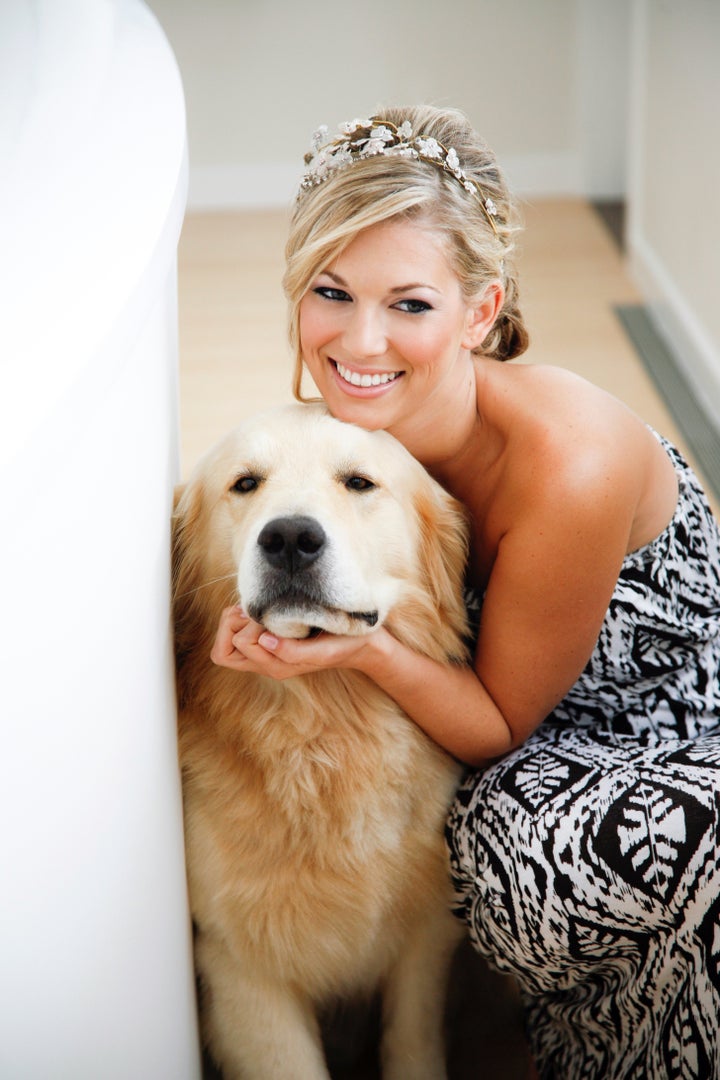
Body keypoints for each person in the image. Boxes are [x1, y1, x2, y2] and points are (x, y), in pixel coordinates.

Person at [210, 105, 720, 1078]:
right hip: (496, 693)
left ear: (479, 313)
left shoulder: (568, 470)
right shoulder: (357, 420)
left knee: (494, 855)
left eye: (410, 304)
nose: (361, 338)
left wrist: (358, 647)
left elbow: (491, 718)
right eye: (332, 292)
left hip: (648, 722)